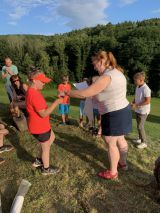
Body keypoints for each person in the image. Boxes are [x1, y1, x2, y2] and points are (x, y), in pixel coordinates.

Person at [65, 51, 132, 180]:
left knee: (111, 143)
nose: (94, 67)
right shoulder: (118, 72)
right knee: (120, 139)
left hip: (113, 113)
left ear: (101, 61)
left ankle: (113, 172)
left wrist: (67, 92)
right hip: (123, 109)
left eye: (95, 63)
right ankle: (123, 163)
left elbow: (84, 94)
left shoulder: (106, 77)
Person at [26, 68, 63, 175]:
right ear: (34, 80)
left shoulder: (31, 91)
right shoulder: (35, 94)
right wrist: (56, 102)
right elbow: (44, 113)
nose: (44, 84)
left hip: (40, 125)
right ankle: (46, 169)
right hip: (40, 127)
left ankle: (39, 160)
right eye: (42, 81)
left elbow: (29, 105)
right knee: (46, 148)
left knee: (52, 137)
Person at [131, 72, 151, 149]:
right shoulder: (138, 87)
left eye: (136, 80)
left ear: (141, 80)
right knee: (138, 125)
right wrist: (133, 102)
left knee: (140, 126)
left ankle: (144, 142)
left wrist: (136, 105)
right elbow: (136, 97)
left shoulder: (146, 89)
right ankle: (140, 139)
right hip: (138, 110)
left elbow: (147, 101)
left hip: (143, 111)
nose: (134, 82)